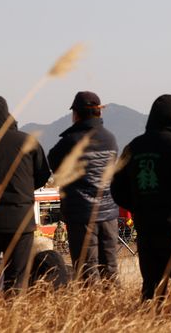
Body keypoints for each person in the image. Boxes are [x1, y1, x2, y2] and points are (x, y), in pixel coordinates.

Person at [110, 94, 171, 307]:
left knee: (151, 292)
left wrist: (139, 208)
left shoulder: (133, 148)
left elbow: (116, 188)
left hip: (147, 233)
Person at [0, 96, 51, 299]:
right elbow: (43, 175)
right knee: (16, 279)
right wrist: (24, 191)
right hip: (21, 221)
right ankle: (13, 322)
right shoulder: (27, 141)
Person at [47, 91, 119, 282]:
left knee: (88, 272)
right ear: (99, 113)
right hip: (110, 213)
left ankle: (91, 309)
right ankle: (117, 308)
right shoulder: (110, 138)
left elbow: (53, 161)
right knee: (110, 269)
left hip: (82, 214)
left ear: (76, 114)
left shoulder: (71, 141)